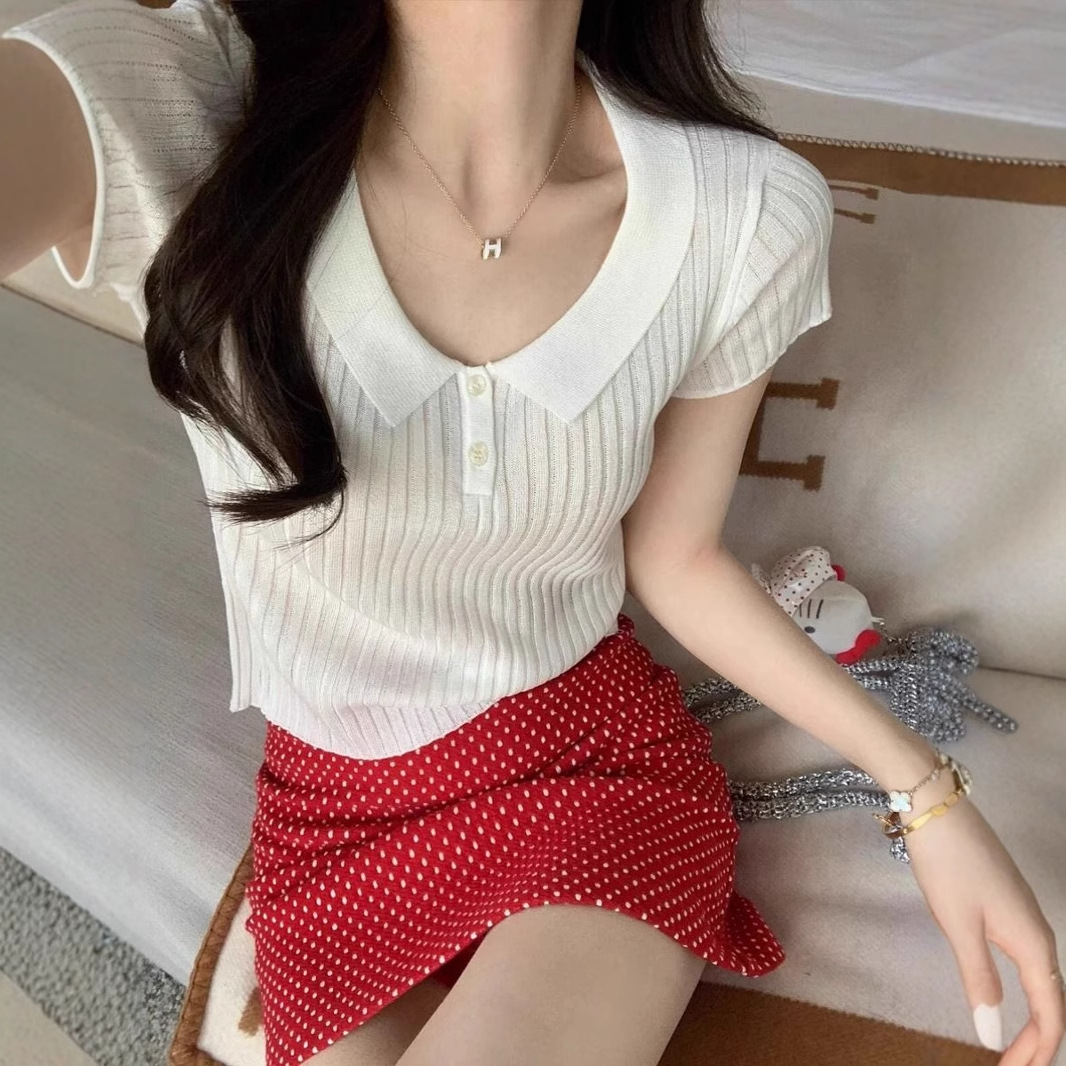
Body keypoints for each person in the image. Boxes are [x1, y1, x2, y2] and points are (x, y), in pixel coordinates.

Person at [1, 1, 1062, 1065]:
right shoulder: (187, 102)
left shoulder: (740, 209)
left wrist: (925, 792)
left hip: (590, 773)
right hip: (326, 821)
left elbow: (678, 557)